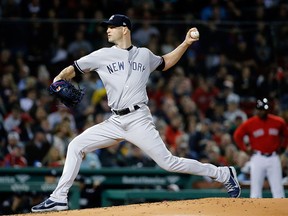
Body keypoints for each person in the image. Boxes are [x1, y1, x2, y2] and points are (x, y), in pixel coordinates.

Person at [31, 14, 241, 212]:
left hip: (138, 118)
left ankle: (222, 173)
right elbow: (73, 69)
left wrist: (185, 43)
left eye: (112, 27)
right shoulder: (102, 55)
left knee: (168, 162)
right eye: (107, 27)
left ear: (125, 29)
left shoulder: (144, 54)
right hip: (114, 120)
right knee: (76, 145)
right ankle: (59, 197)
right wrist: (58, 78)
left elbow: (165, 62)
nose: (108, 30)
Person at [233, 97, 287, 198]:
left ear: (267, 110)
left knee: (278, 190)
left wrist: (283, 147)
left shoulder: (278, 122)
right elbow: (237, 135)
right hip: (258, 157)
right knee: (255, 191)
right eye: (260, 109)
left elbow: (286, 134)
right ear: (256, 110)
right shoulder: (250, 123)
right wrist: (245, 149)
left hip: (273, 157)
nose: (261, 111)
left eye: (263, 109)